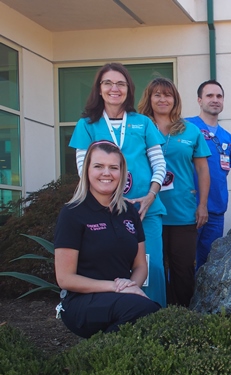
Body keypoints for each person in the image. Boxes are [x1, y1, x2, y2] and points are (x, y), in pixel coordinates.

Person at [69, 63, 167, 307]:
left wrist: (150, 196)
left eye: (121, 83)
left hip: (145, 210)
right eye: (108, 83)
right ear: (99, 89)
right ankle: (119, 327)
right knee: (110, 269)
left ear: (128, 90)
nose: (115, 88)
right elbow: (83, 168)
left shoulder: (143, 123)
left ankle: (154, 320)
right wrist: (108, 202)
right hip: (107, 212)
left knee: (151, 267)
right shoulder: (87, 124)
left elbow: (160, 165)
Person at [54, 140, 161, 338]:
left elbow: (140, 266)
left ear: (122, 173)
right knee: (143, 311)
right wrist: (116, 288)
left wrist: (131, 286)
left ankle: (110, 362)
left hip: (121, 297)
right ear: (87, 170)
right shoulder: (72, 213)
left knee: (151, 311)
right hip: (81, 301)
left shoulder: (129, 212)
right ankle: (96, 356)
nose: (106, 173)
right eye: (99, 166)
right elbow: (65, 278)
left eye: (113, 167)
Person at [138, 78, 211, 307]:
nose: (162, 99)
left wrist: (202, 205)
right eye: (157, 94)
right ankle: (151, 312)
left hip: (182, 210)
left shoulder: (191, 130)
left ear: (175, 100)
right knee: (152, 268)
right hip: (146, 210)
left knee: (182, 270)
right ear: (149, 98)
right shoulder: (139, 127)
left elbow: (202, 169)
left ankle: (182, 318)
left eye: (167, 95)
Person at [186, 80, 231, 270]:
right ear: (199, 100)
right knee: (183, 262)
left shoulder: (227, 137)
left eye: (219, 96)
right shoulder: (187, 127)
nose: (215, 100)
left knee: (208, 265)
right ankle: (177, 301)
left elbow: (223, 171)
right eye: (209, 96)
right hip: (189, 209)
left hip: (216, 210)